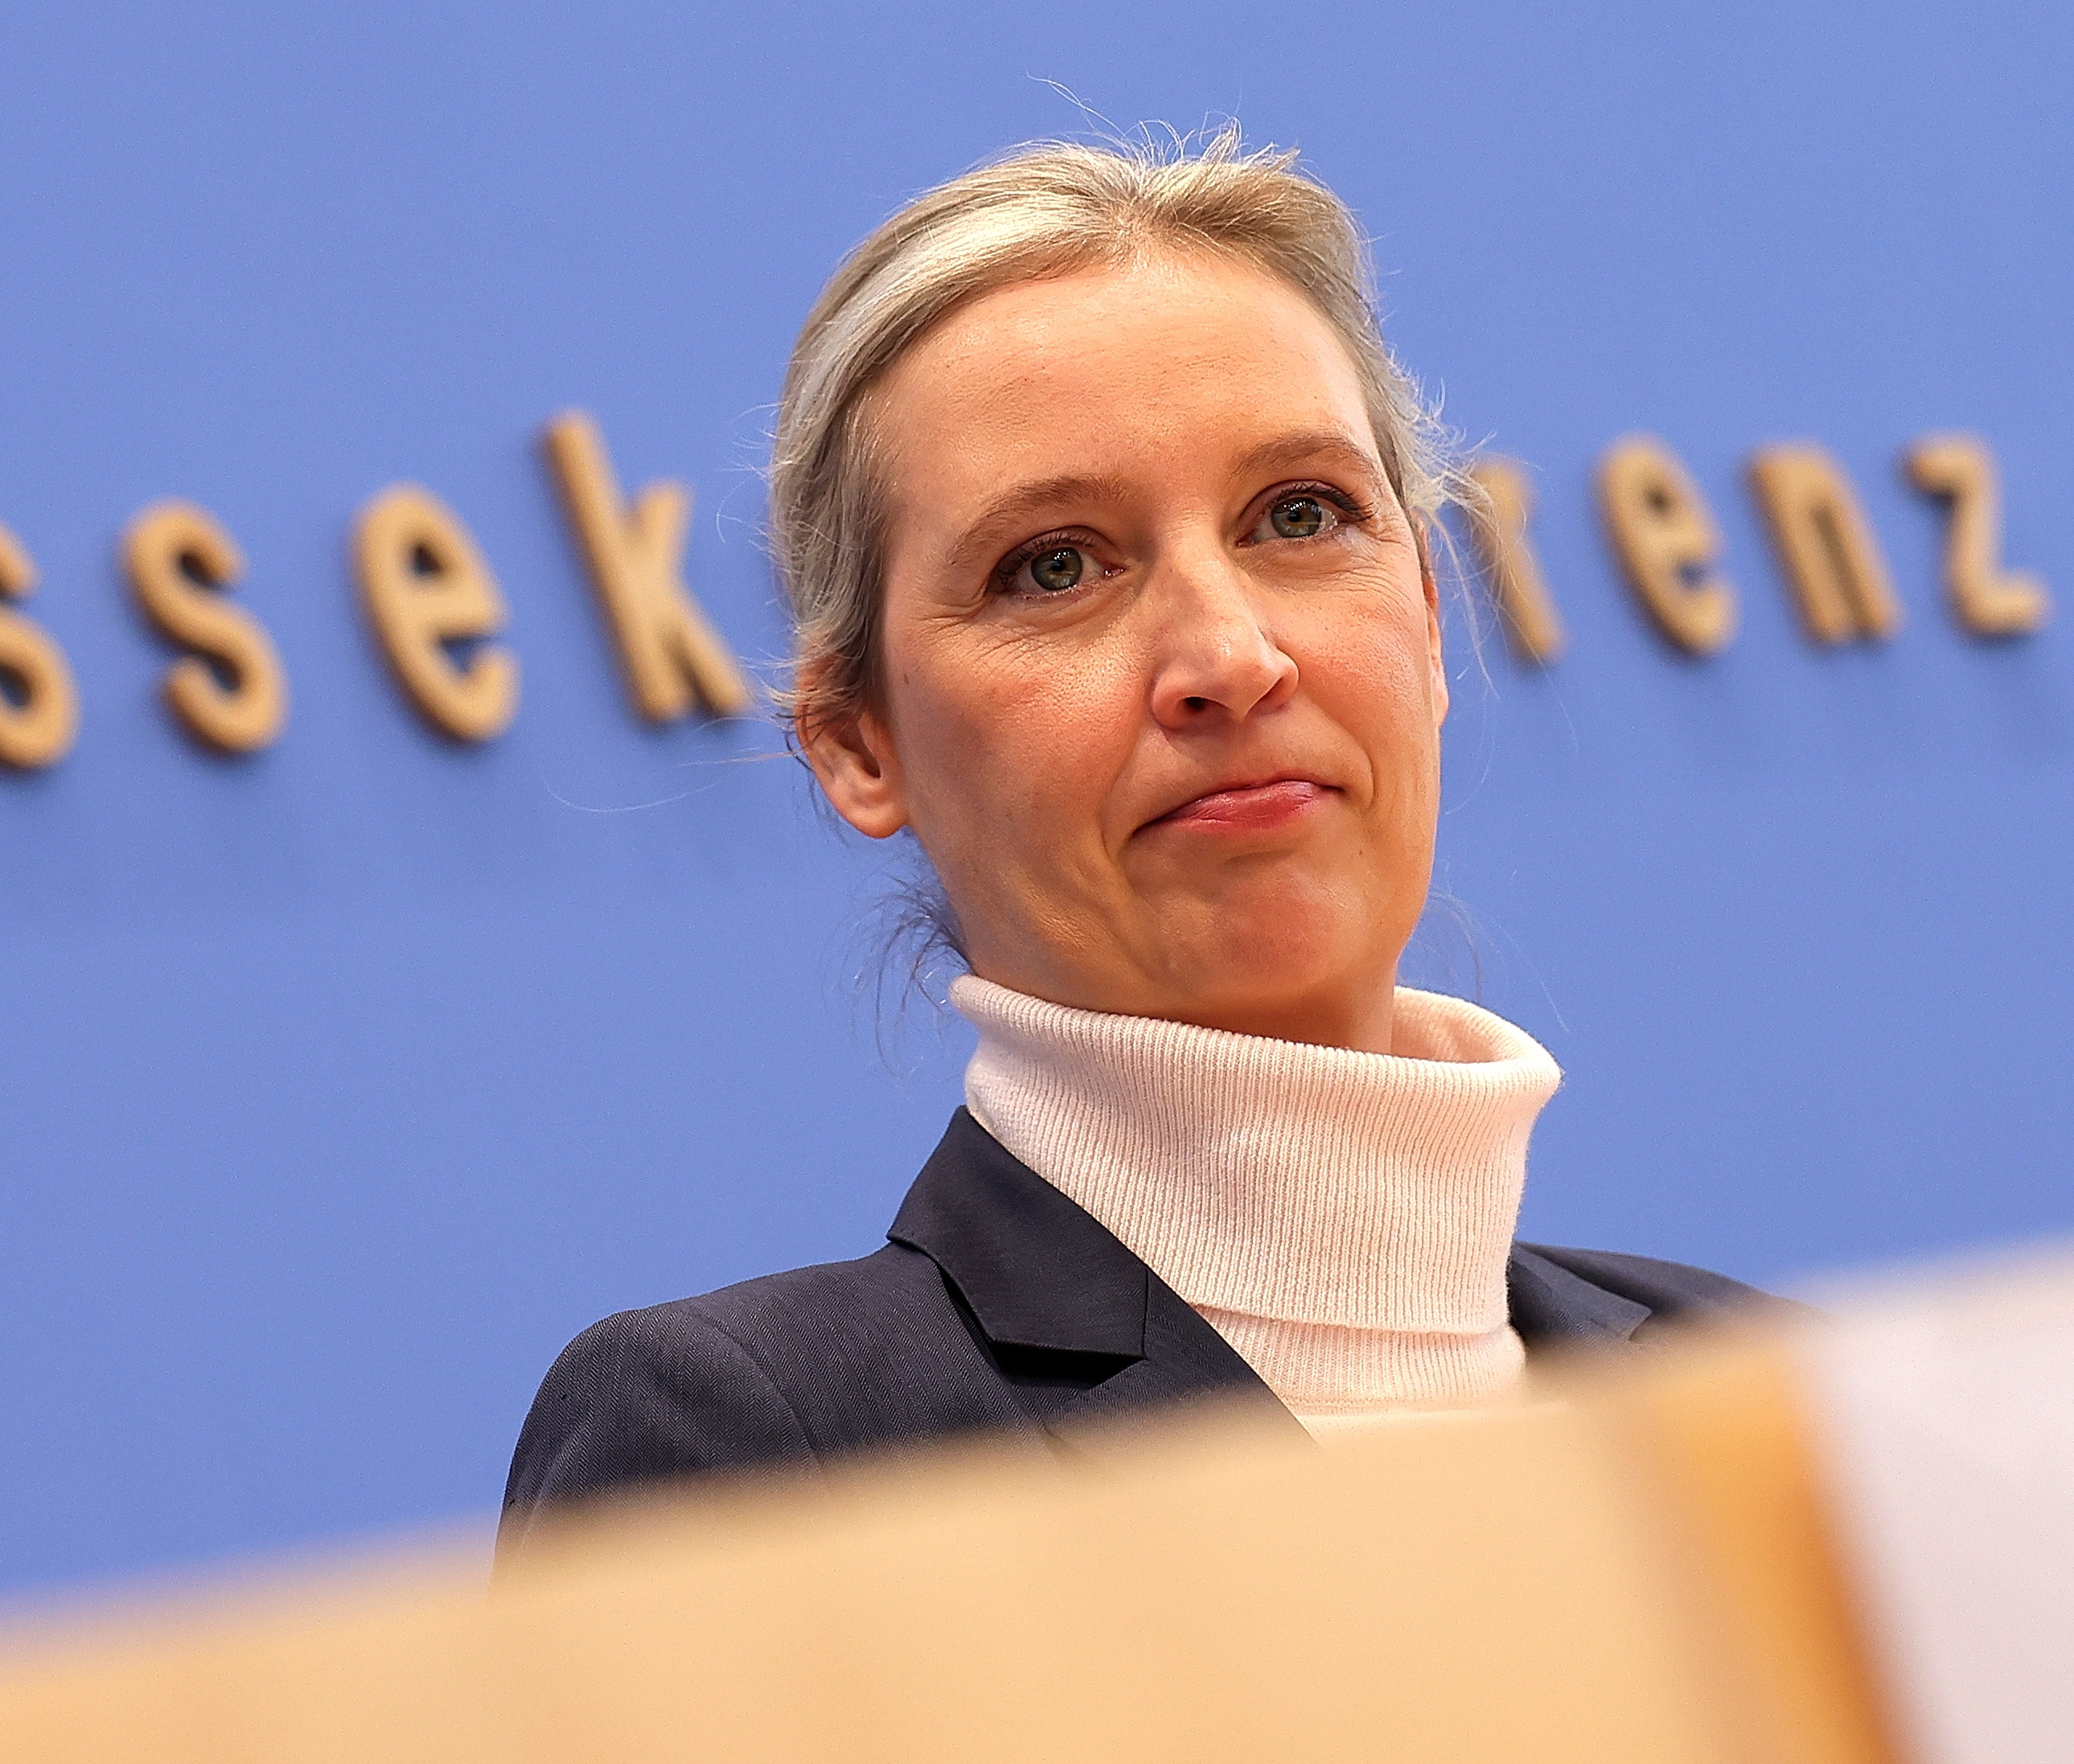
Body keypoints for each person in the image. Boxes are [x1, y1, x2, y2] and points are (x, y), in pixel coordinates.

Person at [500, 133, 1778, 1548]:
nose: (1229, 658)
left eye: (1300, 515)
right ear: (859, 742)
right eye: (1053, 565)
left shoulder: (1767, 1385)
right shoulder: (766, 1444)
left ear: (1425, 616)